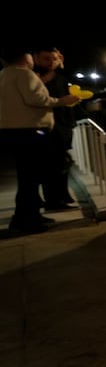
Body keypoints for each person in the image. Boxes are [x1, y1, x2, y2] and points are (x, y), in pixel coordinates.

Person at [1, 47, 81, 233]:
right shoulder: (24, 74)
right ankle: (25, 220)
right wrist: (62, 101)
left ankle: (30, 215)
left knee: (26, 177)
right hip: (31, 132)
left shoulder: (4, 74)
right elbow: (36, 99)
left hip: (12, 132)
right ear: (25, 58)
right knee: (31, 178)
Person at [33, 46, 80, 210]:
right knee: (49, 165)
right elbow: (36, 96)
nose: (51, 62)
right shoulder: (33, 76)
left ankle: (62, 195)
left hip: (63, 125)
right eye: (46, 58)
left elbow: (75, 81)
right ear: (36, 58)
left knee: (62, 162)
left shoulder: (61, 75)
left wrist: (62, 64)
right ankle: (53, 200)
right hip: (44, 126)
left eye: (54, 58)